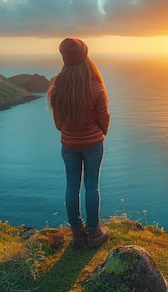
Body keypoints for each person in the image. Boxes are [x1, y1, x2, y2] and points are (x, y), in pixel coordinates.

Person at [47, 38, 110, 249]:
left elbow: (58, 123)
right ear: (85, 57)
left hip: (68, 145)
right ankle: (94, 233)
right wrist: (100, 134)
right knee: (92, 186)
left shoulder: (58, 87)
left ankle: (77, 234)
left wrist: (70, 133)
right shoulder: (95, 86)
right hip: (93, 144)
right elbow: (104, 118)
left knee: (71, 187)